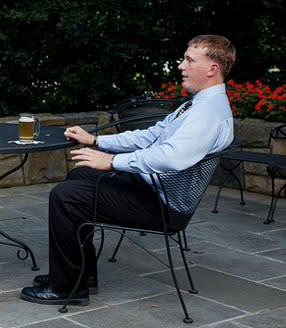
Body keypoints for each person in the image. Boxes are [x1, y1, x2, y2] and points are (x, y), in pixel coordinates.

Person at [20, 35, 236, 305]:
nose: (181, 66)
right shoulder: (199, 104)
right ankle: (81, 275)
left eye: (189, 60)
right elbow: (151, 136)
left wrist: (111, 161)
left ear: (212, 69)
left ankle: (68, 289)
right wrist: (97, 141)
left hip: (162, 206)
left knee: (66, 196)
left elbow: (170, 158)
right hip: (153, 188)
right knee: (80, 175)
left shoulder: (207, 112)